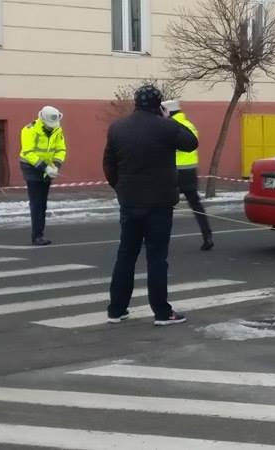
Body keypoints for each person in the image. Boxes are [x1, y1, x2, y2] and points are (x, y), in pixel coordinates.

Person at [103, 85, 199, 326]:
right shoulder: (166, 126)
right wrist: (171, 119)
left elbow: (109, 165)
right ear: (159, 105)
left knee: (126, 254)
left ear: (135, 102)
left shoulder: (117, 128)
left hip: (129, 201)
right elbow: (191, 143)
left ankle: (116, 309)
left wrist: (120, 189)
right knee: (157, 258)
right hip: (159, 203)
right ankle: (161, 312)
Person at [161, 99, 214, 251]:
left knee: (164, 206)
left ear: (168, 111)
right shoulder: (190, 125)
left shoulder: (168, 127)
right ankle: (207, 235)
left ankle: (157, 237)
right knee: (196, 205)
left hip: (173, 172)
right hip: (190, 172)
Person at [20, 106, 66, 246]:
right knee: (37, 202)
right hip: (31, 167)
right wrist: (44, 167)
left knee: (43, 203)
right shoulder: (29, 130)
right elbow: (28, 153)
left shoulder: (57, 129)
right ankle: (37, 236)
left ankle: (40, 233)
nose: (52, 127)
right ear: (42, 119)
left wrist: (56, 166)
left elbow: (61, 149)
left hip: (48, 168)